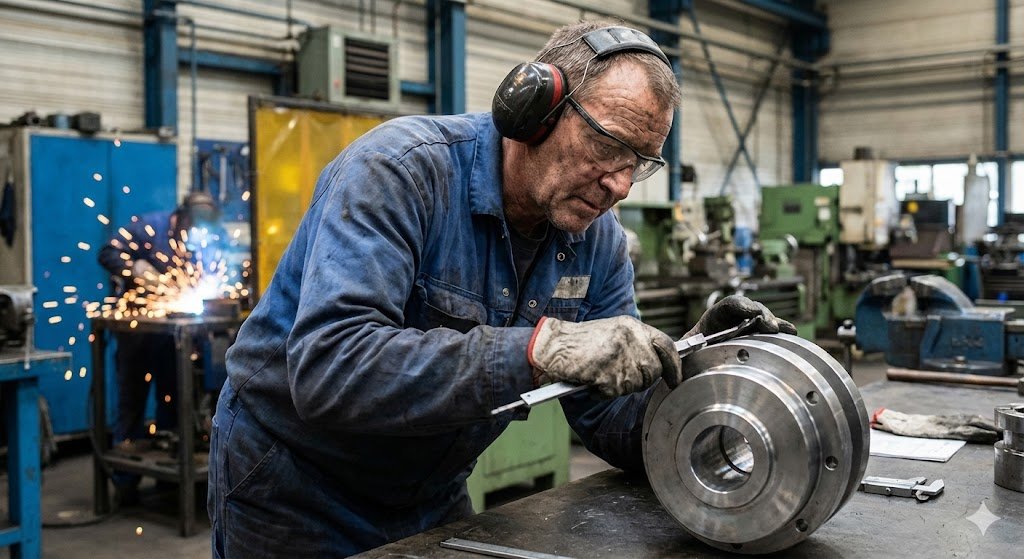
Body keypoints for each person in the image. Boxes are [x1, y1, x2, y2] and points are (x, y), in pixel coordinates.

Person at [208, 20, 795, 557]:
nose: (619, 184)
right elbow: (331, 368)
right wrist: (537, 351)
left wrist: (698, 376)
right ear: (534, 108)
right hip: (294, 486)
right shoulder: (399, 172)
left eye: (640, 161)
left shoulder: (598, 239)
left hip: (429, 491)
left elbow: (609, 415)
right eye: (608, 145)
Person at [97, 190, 221, 502]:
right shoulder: (147, 227)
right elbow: (107, 253)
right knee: (133, 398)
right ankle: (126, 482)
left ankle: (171, 479)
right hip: (138, 330)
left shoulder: (199, 239)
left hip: (173, 336)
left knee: (175, 398)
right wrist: (134, 267)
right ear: (182, 216)